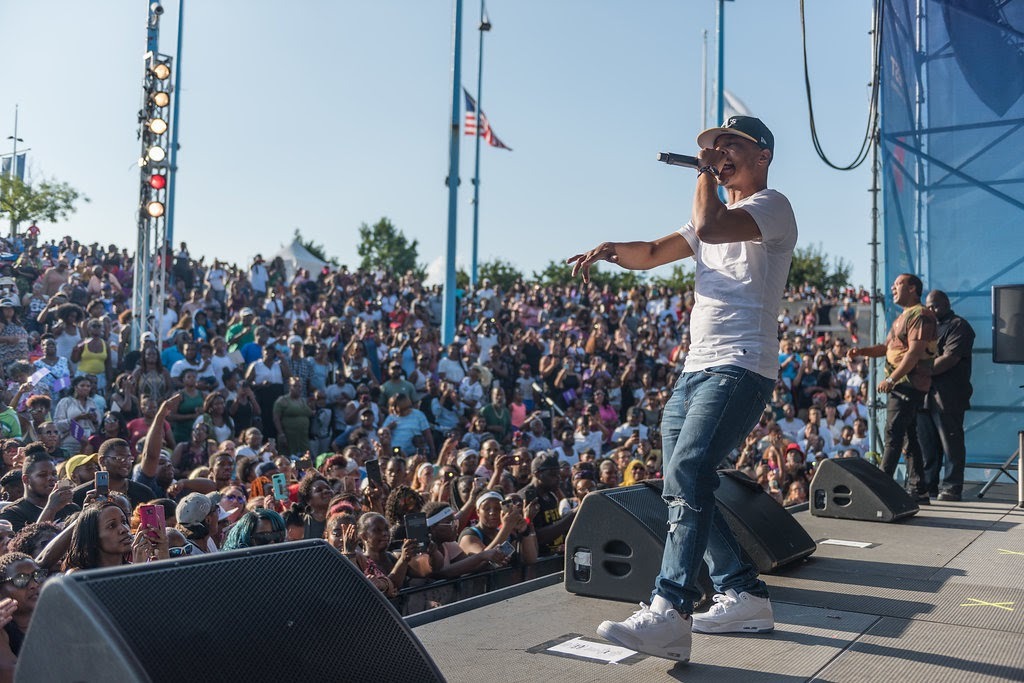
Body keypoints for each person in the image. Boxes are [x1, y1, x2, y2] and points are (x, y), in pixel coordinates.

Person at [570, 116, 796, 662]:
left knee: (690, 472)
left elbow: (713, 225)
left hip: (741, 364)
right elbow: (650, 252)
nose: (719, 155)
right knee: (683, 479)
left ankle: (670, 609)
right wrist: (610, 249)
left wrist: (703, 176)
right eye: (713, 150)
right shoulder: (709, 216)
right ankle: (743, 592)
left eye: (730, 147)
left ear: (761, 156)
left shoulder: (772, 207)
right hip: (696, 367)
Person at [848, 274, 937, 502]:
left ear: (913, 288)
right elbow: (885, 348)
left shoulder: (921, 315)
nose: (892, 287)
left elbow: (914, 353)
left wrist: (892, 379)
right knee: (908, 436)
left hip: (907, 384)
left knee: (893, 432)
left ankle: (880, 488)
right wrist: (861, 352)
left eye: (897, 284)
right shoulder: (902, 318)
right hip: (902, 385)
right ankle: (919, 489)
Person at [916, 290, 975, 501]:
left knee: (951, 444)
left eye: (935, 306)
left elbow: (950, 359)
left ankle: (951, 486)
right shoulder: (926, 328)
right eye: (928, 306)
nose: (931, 310)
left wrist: (919, 369)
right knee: (927, 446)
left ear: (947, 303)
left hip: (948, 396)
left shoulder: (959, 326)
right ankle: (928, 486)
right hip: (924, 396)